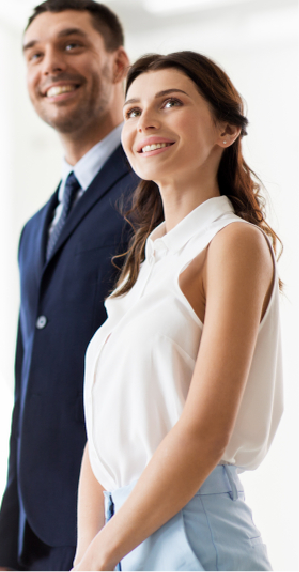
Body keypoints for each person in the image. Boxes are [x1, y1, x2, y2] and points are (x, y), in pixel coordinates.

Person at [73, 52, 280, 571]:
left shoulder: (232, 242)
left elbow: (205, 429)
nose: (145, 122)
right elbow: (99, 437)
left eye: (171, 102)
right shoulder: (144, 268)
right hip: (125, 535)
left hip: (193, 530)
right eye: (133, 110)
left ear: (226, 130)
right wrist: (89, 548)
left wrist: (101, 551)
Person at [0, 0, 139, 572]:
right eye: (34, 52)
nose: (49, 63)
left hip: (121, 527)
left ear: (118, 62)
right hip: (39, 543)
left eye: (71, 44)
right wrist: (5, 549)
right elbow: (28, 400)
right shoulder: (34, 231)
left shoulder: (151, 193)